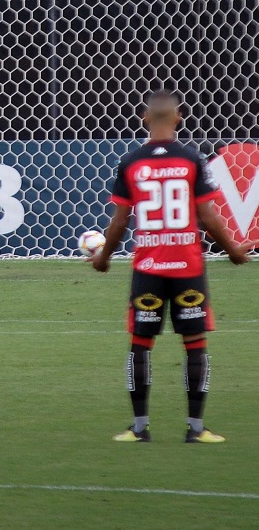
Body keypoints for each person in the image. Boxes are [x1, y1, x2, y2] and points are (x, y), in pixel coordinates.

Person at [91, 90, 250, 444]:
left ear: (145, 119)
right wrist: (234, 252)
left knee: (140, 344)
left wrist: (103, 259)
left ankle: (139, 428)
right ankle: (196, 429)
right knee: (194, 344)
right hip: (188, 268)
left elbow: (119, 222)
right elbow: (208, 217)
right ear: (178, 118)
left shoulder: (131, 161)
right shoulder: (192, 160)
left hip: (148, 267)